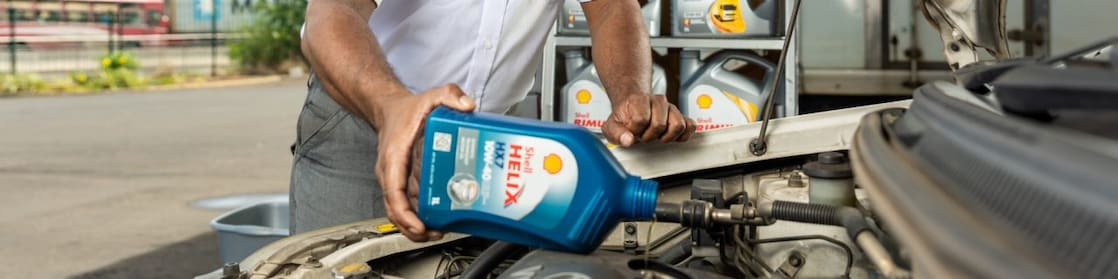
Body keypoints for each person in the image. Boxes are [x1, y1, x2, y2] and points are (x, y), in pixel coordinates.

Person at [292, 0, 697, 242]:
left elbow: (611, 7)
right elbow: (331, 14)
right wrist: (391, 108)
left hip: (495, 143)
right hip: (366, 124)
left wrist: (628, 95)